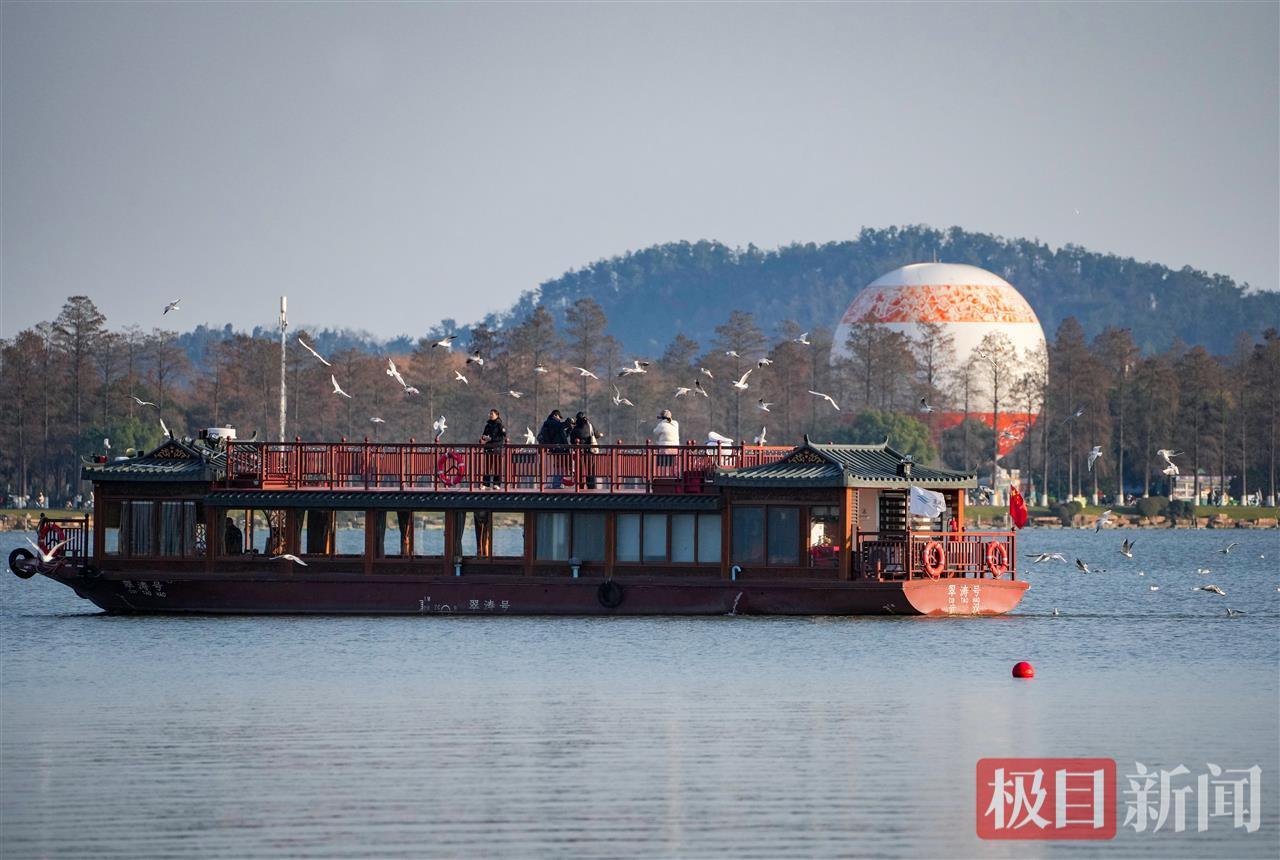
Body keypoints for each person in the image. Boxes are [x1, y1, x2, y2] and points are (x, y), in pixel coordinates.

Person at [537, 410, 573, 488]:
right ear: (555, 415)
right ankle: (556, 484)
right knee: (559, 467)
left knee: (561, 467)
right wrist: (568, 422)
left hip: (560, 449)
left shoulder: (555, 425)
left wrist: (569, 429)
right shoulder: (550, 422)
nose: (559, 419)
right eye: (559, 417)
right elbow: (560, 426)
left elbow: (564, 435)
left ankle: (558, 483)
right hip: (558, 449)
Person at [479, 408, 507, 488]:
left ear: (497, 415)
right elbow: (483, 435)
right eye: (490, 414)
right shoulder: (488, 425)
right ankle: (485, 484)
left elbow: (503, 436)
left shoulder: (499, 425)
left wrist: (491, 439)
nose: (490, 415)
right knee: (487, 467)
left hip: (497, 448)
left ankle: (496, 484)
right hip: (488, 448)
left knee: (497, 467)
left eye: (492, 414)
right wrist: (484, 437)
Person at [571, 412, 599, 489]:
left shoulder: (575, 428)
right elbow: (596, 435)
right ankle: (591, 486)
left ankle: (580, 486)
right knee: (590, 469)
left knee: (579, 470)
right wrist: (599, 434)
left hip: (579, 452)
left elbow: (572, 440)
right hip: (590, 451)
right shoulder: (590, 426)